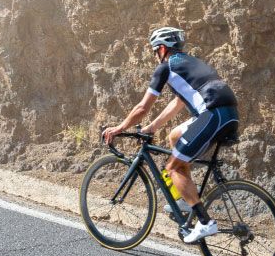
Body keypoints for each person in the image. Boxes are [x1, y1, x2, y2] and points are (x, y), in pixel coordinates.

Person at [102, 27, 239, 243]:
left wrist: (119, 128)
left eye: (155, 51)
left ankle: (205, 222)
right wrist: (152, 127)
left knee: (172, 167)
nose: (155, 55)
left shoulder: (166, 67)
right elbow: (178, 102)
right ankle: (186, 199)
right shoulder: (191, 63)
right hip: (228, 115)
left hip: (212, 115)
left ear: (163, 49)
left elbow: (142, 108)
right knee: (175, 137)